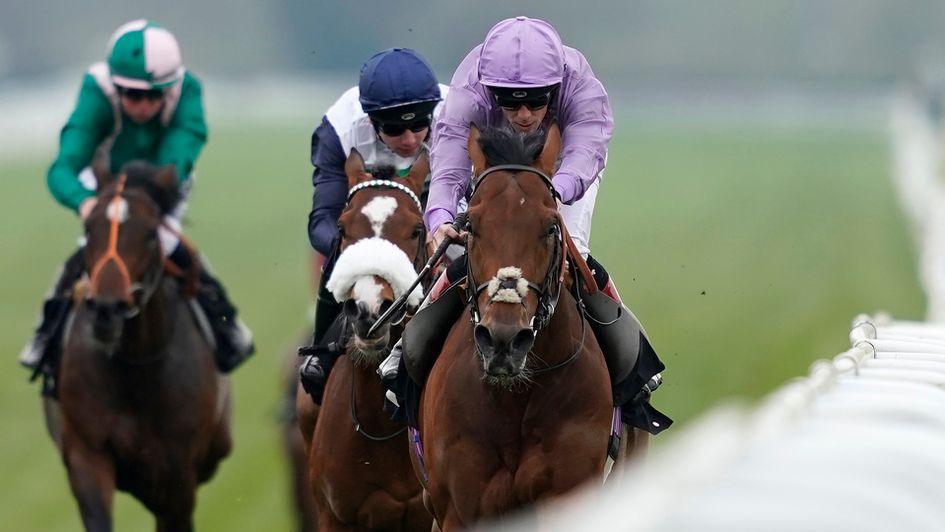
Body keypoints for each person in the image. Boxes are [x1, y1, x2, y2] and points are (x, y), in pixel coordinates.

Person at [382, 16, 671, 433]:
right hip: (494, 166)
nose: (522, 114)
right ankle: (404, 361)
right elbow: (448, 164)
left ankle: (635, 367)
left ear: (555, 88)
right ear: (490, 91)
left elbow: (586, 150)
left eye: (536, 103)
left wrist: (551, 191)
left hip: (563, 169)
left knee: (570, 251)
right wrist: (440, 219)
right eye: (510, 102)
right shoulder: (470, 89)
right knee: (467, 254)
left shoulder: (580, 85)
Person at [20, 20, 254, 393]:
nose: (141, 105)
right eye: (130, 94)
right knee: (85, 256)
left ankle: (227, 327)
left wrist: (144, 206)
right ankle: (45, 341)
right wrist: (85, 204)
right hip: (104, 188)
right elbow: (63, 167)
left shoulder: (188, 91)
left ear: (169, 89)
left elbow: (174, 163)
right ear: (115, 86)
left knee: (172, 247)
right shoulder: (96, 91)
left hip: (161, 189)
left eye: (153, 96)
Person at [298, 48, 449, 401]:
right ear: (370, 122)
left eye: (419, 124)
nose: (410, 139)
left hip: (436, 199)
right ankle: (322, 352)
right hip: (367, 221)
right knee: (339, 254)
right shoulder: (338, 129)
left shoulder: (456, 119)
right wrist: (361, 253)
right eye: (394, 129)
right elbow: (323, 221)